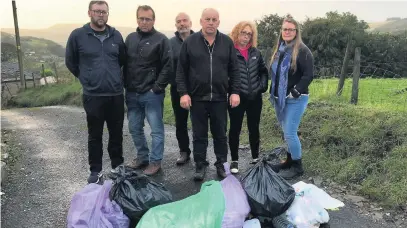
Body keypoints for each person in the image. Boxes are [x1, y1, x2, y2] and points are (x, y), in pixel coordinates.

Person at [65, 0, 126, 184]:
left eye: (104, 12)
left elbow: (121, 60)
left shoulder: (116, 36)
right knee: (95, 135)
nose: (101, 15)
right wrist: (87, 78)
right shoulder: (78, 36)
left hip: (115, 94)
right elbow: (71, 62)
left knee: (116, 133)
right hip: (93, 95)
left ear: (108, 14)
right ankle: (96, 171)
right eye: (97, 11)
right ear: (90, 13)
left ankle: (117, 166)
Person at [176, 8, 240, 181]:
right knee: (199, 134)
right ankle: (200, 164)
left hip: (220, 98)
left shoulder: (226, 42)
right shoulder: (190, 42)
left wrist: (235, 92)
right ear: (201, 21)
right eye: (207, 19)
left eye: (214, 19)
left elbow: (234, 69)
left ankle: (221, 164)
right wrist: (183, 93)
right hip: (197, 98)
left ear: (218, 22)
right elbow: (181, 70)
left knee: (220, 134)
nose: (211, 22)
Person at [124, 5, 172, 176]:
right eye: (141, 18)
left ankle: (155, 161)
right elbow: (124, 63)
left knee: (156, 130)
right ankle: (142, 157)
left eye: (148, 19)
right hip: (132, 93)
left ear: (153, 20)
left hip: (151, 94)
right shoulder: (130, 39)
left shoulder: (161, 40)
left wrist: (157, 87)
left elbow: (168, 65)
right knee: (134, 127)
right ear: (137, 19)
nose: (144, 22)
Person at [269, 14, 314, 179]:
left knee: (290, 132)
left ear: (296, 31)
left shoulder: (302, 50)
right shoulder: (280, 49)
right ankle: (288, 161)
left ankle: (297, 166)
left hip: (296, 99)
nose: (287, 32)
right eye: (284, 29)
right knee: (286, 131)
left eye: (290, 29)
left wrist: (296, 90)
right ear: (281, 31)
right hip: (280, 99)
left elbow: (309, 75)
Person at [227, 21, 269, 174]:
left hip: (255, 98)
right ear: (237, 33)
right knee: (235, 129)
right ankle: (234, 160)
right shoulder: (230, 52)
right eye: (243, 33)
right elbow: (225, 75)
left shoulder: (255, 53)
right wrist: (233, 91)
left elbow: (264, 72)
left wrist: (262, 87)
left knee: (254, 128)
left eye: (249, 34)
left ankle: (255, 157)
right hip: (236, 98)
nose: (246, 36)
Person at [169, 12, 194, 165]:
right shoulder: (170, 43)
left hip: (198, 89)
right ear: (176, 25)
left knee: (199, 122)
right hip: (177, 89)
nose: (182, 23)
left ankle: (200, 154)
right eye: (179, 21)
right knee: (180, 122)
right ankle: (184, 151)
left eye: (185, 20)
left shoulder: (200, 40)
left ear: (190, 23)